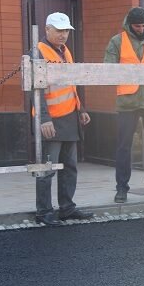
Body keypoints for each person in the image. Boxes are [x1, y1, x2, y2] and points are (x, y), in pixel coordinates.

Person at [32, 12, 93, 226]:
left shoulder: (65, 51)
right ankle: (44, 212)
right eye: (59, 30)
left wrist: (81, 109)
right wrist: (44, 118)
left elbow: (71, 85)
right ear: (47, 29)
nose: (63, 34)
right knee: (47, 169)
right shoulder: (38, 52)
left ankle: (67, 208)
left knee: (69, 167)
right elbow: (34, 90)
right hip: (51, 120)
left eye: (66, 30)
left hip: (69, 118)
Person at [104, 6, 144, 203]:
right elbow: (108, 69)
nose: (141, 29)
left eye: (143, 25)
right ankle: (122, 189)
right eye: (137, 26)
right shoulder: (117, 41)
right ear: (129, 24)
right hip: (128, 101)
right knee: (124, 146)